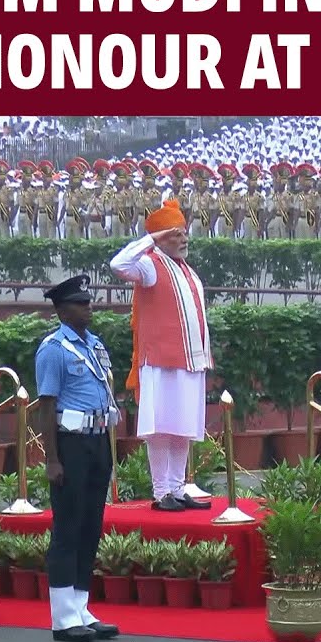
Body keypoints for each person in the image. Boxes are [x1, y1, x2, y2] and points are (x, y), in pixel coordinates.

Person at [109, 199, 213, 512]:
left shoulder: (188, 271)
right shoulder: (150, 264)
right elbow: (119, 264)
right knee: (161, 427)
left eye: (184, 233)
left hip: (190, 361)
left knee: (183, 427)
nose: (184, 240)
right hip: (159, 362)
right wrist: (152, 239)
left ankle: (178, 489)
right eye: (176, 234)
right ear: (160, 237)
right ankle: (161, 491)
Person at [36, 275, 120, 642]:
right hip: (69, 443)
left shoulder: (94, 345)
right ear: (61, 309)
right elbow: (46, 405)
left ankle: (81, 607)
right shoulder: (53, 349)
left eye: (88, 301)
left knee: (90, 526)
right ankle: (63, 617)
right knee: (68, 529)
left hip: (97, 439)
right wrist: (52, 459)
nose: (89, 307)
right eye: (80, 303)